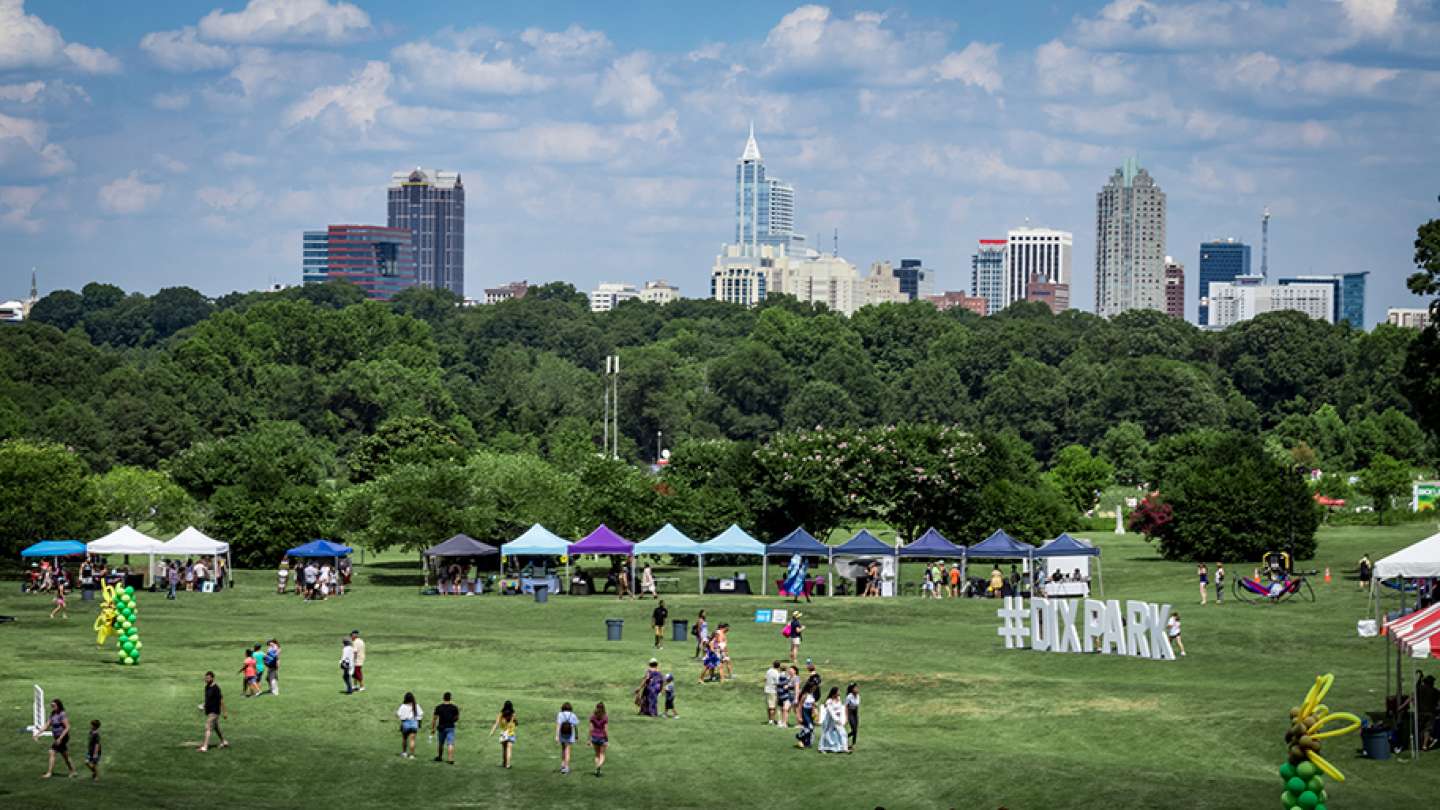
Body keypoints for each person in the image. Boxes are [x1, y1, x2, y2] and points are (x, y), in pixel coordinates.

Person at [39, 698, 75, 777]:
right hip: (57, 738)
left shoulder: (62, 714)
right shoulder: (52, 714)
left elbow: (68, 727)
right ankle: (72, 771)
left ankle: (49, 773)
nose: (52, 707)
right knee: (65, 755)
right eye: (51, 705)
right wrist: (38, 733)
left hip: (63, 737)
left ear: (58, 705)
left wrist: (60, 738)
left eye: (54, 705)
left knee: (52, 752)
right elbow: (47, 725)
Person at [199, 671, 228, 752]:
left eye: (208, 678)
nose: (206, 679)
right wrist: (203, 705)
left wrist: (224, 712)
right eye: (205, 678)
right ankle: (224, 741)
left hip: (215, 711)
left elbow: (221, 700)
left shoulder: (216, 688)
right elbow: (208, 699)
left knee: (207, 726)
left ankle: (205, 747)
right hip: (209, 710)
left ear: (212, 678)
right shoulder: (207, 687)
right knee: (216, 728)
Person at [819, 686, 849, 753]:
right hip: (829, 720)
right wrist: (836, 719)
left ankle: (844, 748)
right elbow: (831, 711)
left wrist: (841, 719)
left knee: (842, 732)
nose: (839, 693)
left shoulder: (838, 699)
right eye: (838, 691)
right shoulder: (829, 701)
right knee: (825, 732)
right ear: (834, 693)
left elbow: (840, 709)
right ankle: (821, 748)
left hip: (837, 719)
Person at [432, 692, 459, 764]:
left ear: (443, 698)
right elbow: (457, 718)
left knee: (440, 743)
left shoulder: (439, 707)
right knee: (450, 743)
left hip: (441, 727)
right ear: (450, 698)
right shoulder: (454, 707)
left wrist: (433, 728)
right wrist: (452, 720)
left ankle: (439, 757)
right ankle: (450, 759)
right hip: (450, 727)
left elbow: (434, 719)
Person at [489, 700, 517, 769]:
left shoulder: (501, 713)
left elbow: (496, 723)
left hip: (504, 733)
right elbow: (515, 722)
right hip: (510, 732)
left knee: (504, 749)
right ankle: (508, 764)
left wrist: (492, 732)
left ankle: (504, 763)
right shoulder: (513, 713)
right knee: (509, 749)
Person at [555, 701, 580, 775]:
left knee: (563, 749)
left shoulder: (560, 714)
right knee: (568, 750)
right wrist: (577, 735)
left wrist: (556, 736)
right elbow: (576, 726)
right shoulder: (573, 715)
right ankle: (566, 767)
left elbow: (558, 725)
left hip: (562, 734)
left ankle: (563, 765)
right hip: (570, 734)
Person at [396, 692, 422, 758]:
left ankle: (404, 753)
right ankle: (412, 755)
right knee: (412, 740)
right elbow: (420, 715)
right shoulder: (416, 705)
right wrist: (419, 724)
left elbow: (398, 714)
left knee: (404, 739)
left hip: (405, 723)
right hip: (414, 723)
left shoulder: (403, 706)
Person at [589, 702, 609, 776]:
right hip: (602, 737)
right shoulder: (605, 717)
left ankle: (597, 769)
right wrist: (607, 739)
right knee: (602, 754)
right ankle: (599, 766)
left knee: (597, 754)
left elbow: (591, 729)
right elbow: (605, 730)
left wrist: (589, 739)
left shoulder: (593, 716)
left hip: (594, 737)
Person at [794, 684, 816, 749]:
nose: (814, 689)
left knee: (809, 729)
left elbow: (813, 705)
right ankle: (800, 736)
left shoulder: (812, 695)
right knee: (810, 728)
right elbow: (800, 706)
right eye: (813, 688)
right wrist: (799, 716)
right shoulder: (805, 695)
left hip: (810, 714)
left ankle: (807, 742)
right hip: (805, 713)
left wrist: (814, 712)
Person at [764, 660, 782, 725]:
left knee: (769, 706)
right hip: (773, 691)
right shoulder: (776, 673)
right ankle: (772, 720)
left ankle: (770, 719)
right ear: (779, 666)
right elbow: (777, 683)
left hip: (767, 690)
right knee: (772, 707)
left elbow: (765, 679)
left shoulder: (768, 671)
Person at [845, 683, 860, 749]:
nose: (857, 689)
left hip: (855, 713)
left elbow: (857, 705)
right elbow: (846, 706)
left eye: (857, 688)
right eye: (855, 688)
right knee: (854, 729)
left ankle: (853, 744)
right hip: (850, 712)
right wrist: (846, 717)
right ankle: (845, 737)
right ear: (852, 689)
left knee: (855, 730)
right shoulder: (849, 696)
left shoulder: (858, 696)